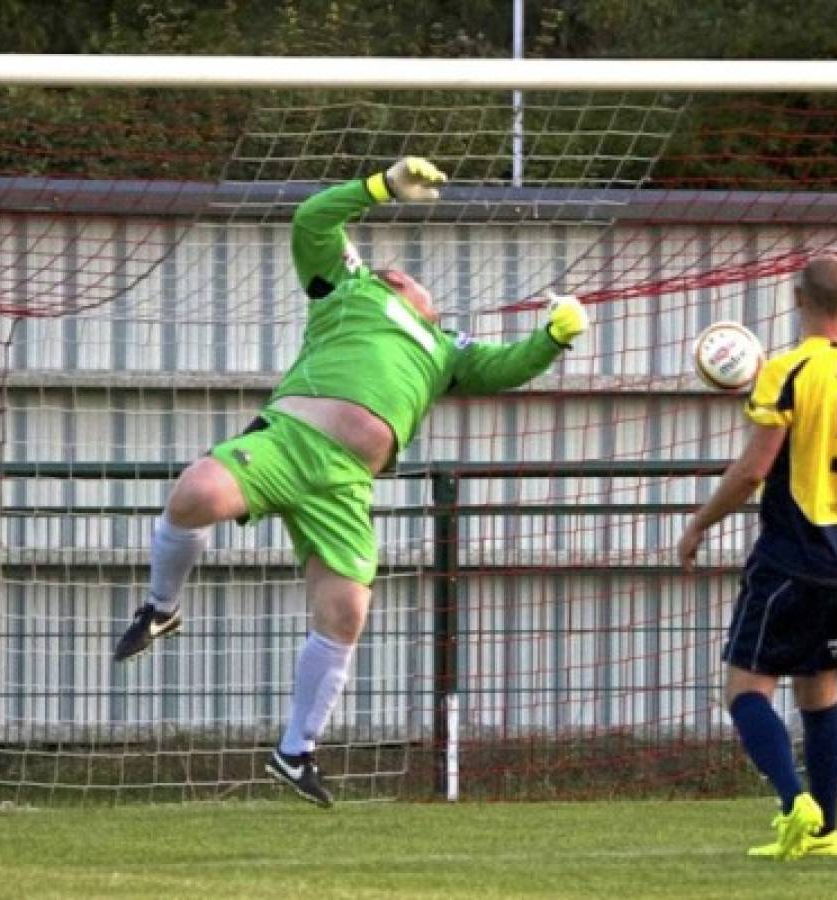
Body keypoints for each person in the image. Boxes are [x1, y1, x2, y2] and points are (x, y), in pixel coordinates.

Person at [112, 157, 589, 807]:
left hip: (345, 485)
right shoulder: (348, 287)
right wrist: (380, 188)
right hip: (288, 443)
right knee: (197, 493)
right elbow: (313, 217)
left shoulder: (448, 351)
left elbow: (507, 367)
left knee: (347, 610)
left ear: (429, 306)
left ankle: (295, 751)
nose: (399, 269)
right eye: (392, 267)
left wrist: (554, 336)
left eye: (409, 274)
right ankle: (161, 608)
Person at [678, 255, 837, 860]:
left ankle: (793, 801)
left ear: (796, 299)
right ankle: (826, 832)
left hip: (790, 556)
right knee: (821, 695)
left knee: (746, 690)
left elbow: (753, 470)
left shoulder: (785, 370)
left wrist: (699, 522)